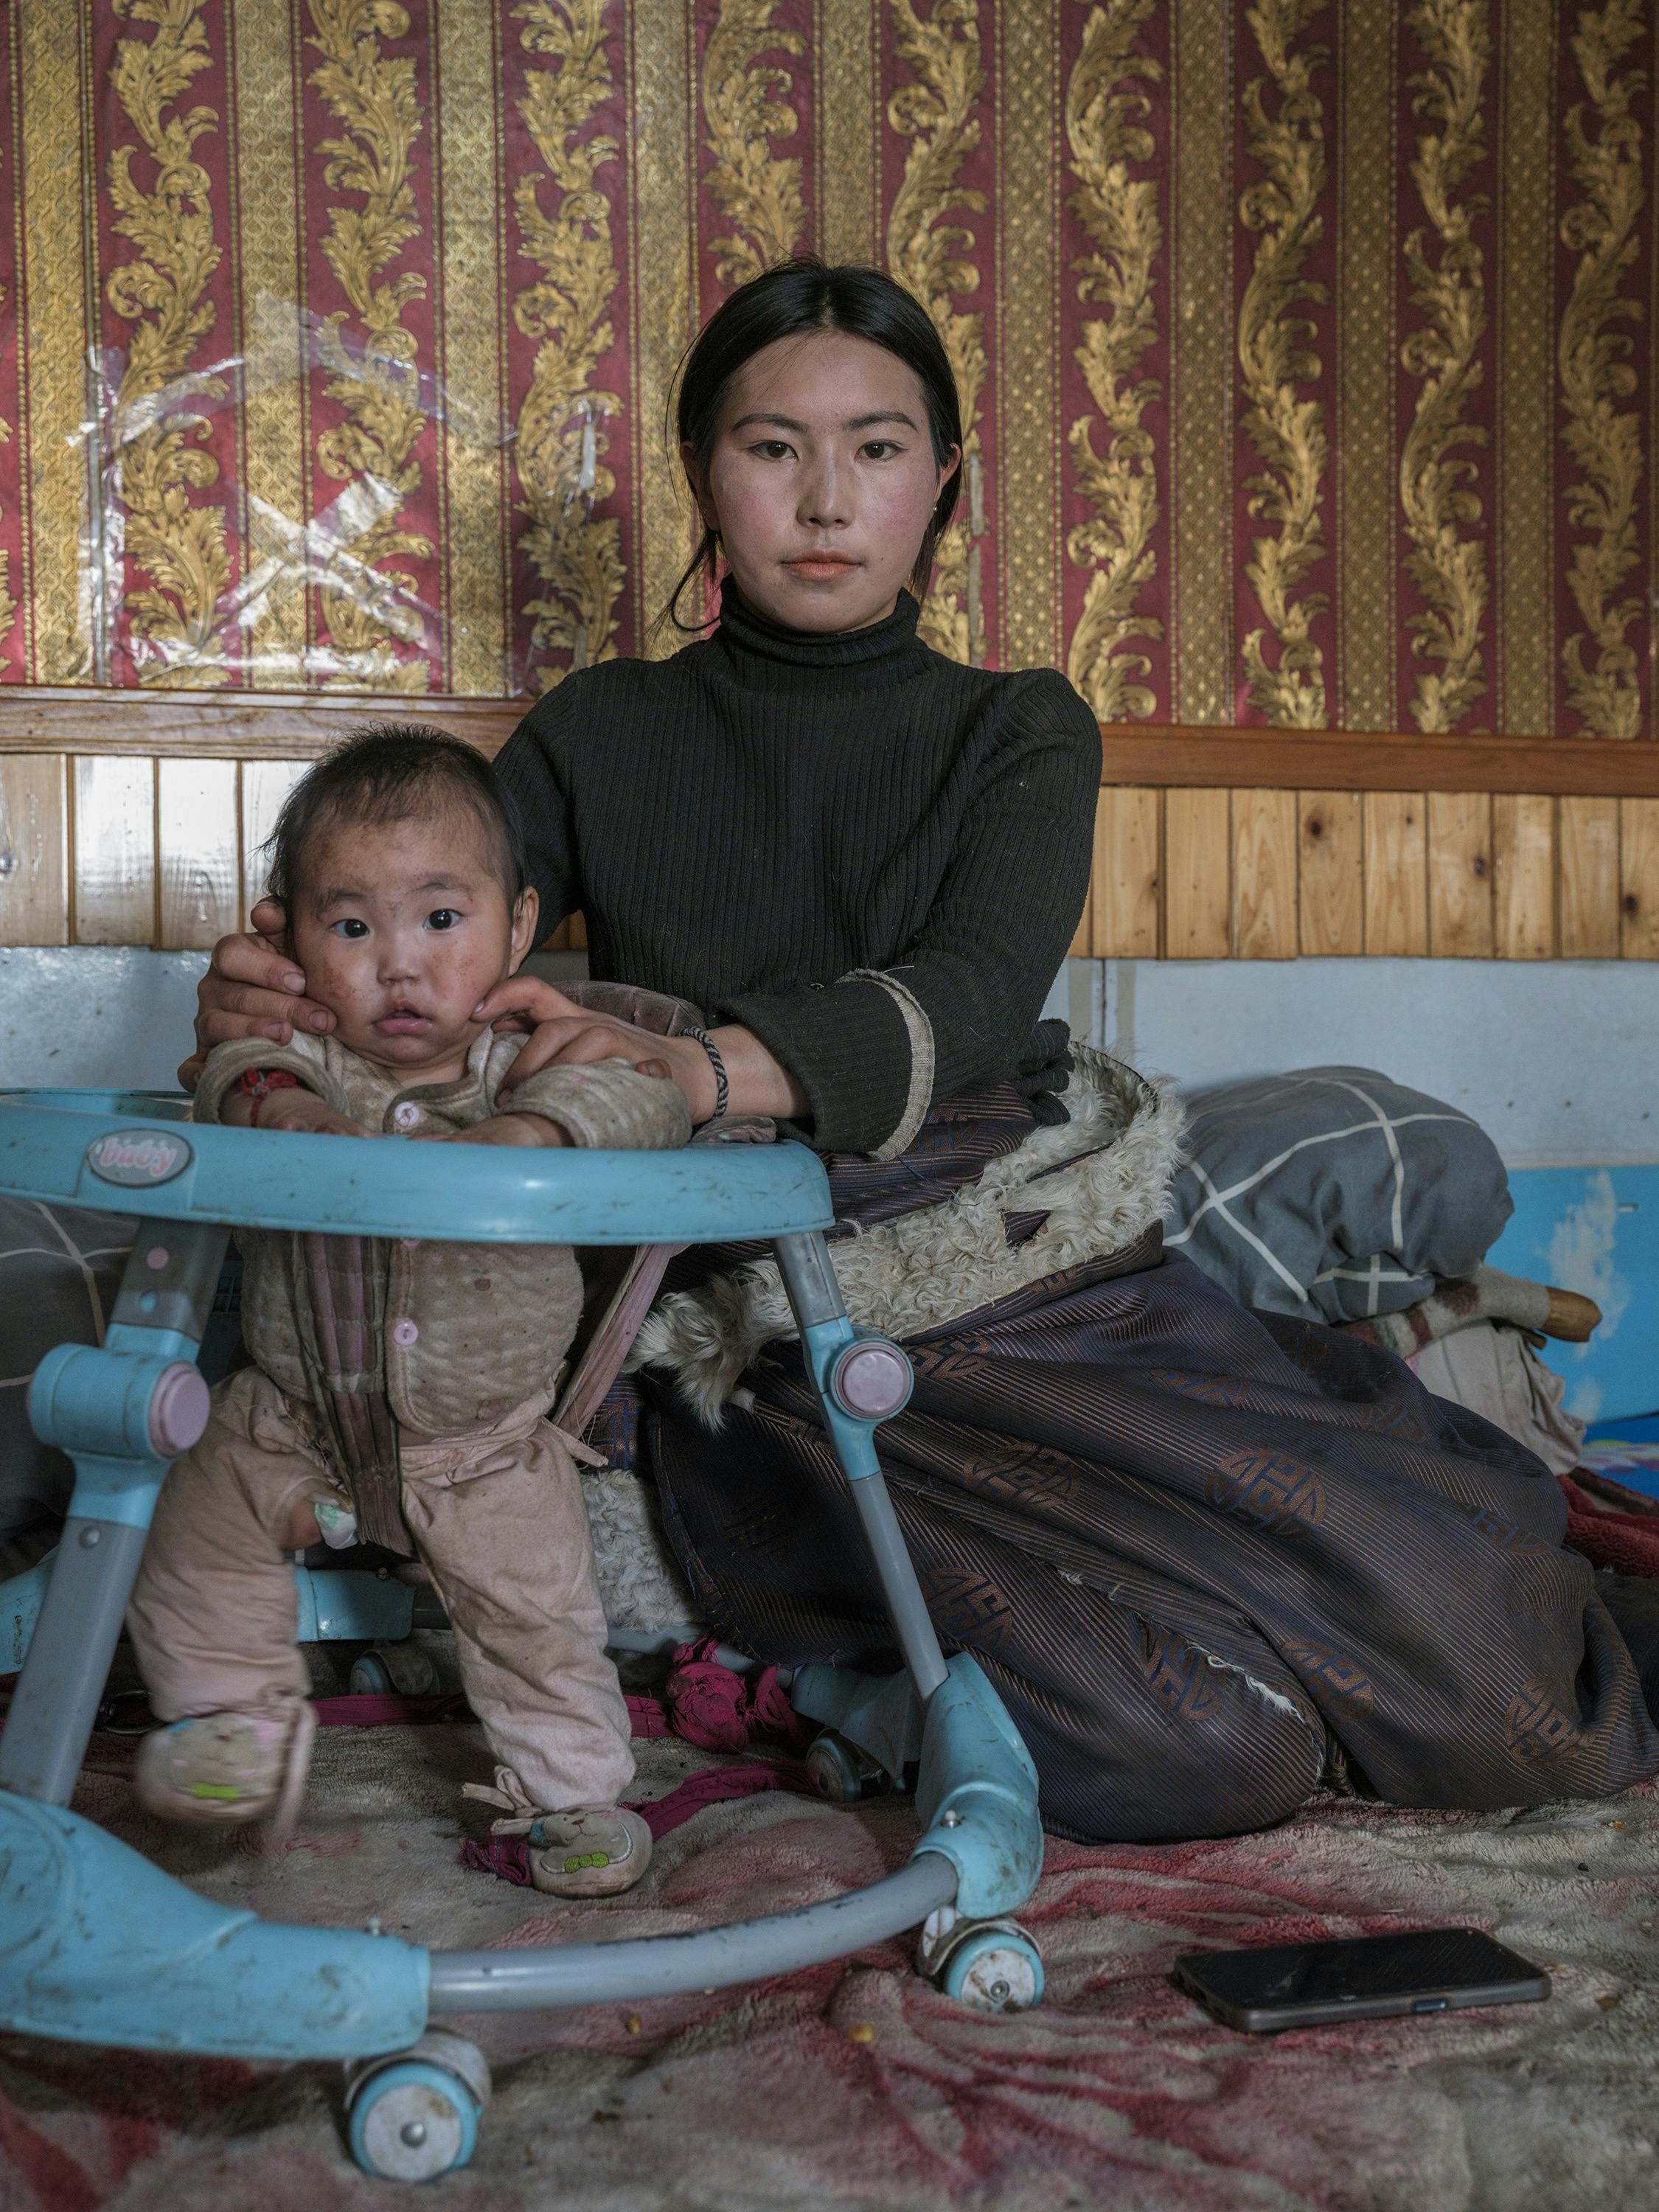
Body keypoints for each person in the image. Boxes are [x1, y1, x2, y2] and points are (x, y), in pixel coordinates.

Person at [188, 260, 1659, 1843]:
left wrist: (701, 1072)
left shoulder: (1019, 727)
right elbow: (429, 933)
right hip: (758, 1318)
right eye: (771, 449)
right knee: (1191, 1752)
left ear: (941, 480)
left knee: (1461, 1611)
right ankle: (850, 1693)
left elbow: (969, 997)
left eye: (877, 448)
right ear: (707, 473)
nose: (825, 499)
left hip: (1030, 1272)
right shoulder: (599, 730)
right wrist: (279, 984)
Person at [132, 726, 689, 1895]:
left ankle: (573, 1797)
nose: (399, 965)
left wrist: (531, 1135)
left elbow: (638, 1093)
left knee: (537, 1624)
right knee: (191, 1526)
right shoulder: (305, 1062)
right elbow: (235, 1076)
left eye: (442, 921)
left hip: (484, 1441)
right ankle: (229, 1725)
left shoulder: (523, 1062)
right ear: (285, 942)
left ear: (518, 929)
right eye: (351, 927)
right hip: (288, 1411)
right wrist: (280, 1112)